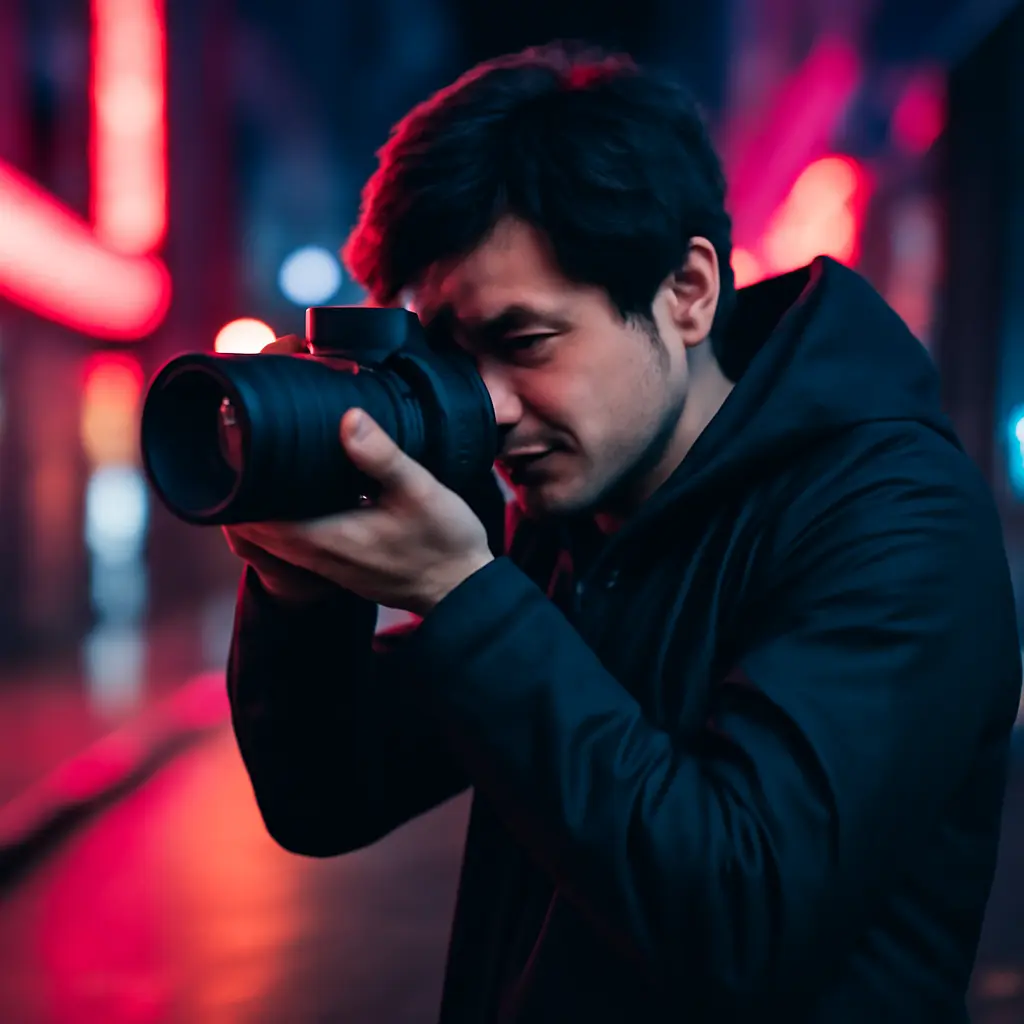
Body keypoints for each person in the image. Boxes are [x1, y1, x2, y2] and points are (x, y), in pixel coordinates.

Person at [223, 43, 1022, 1022]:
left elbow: (744, 916)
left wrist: (467, 595)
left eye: (524, 343)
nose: (493, 407)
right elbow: (325, 796)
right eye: (455, 354)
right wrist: (301, 593)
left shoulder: (892, 518)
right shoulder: (574, 521)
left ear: (685, 291)